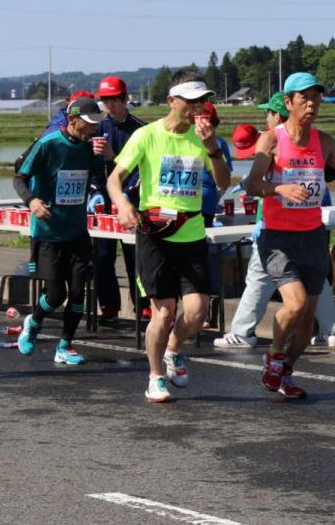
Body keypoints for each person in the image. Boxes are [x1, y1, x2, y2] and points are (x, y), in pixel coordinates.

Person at [243, 72, 335, 399]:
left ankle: (286, 372)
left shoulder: (324, 142)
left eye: (316, 98)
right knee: (294, 305)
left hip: (312, 237)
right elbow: (250, 184)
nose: (312, 104)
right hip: (278, 238)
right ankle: (273, 358)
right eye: (304, 98)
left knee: (308, 322)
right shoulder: (272, 140)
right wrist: (278, 187)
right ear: (289, 102)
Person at [107, 71, 230, 403]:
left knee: (197, 312)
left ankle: (174, 348)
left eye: (201, 101)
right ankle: (155, 376)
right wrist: (122, 205)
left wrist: (212, 149)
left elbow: (223, 181)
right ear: (171, 101)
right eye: (190, 101)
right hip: (155, 234)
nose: (197, 107)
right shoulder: (146, 136)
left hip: (191, 234)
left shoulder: (203, 138)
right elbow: (115, 178)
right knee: (162, 312)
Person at [215, 93, 335, 349]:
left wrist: (269, 188)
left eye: (268, 114)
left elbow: (260, 184)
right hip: (308, 226)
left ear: (279, 114)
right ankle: (330, 330)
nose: (266, 118)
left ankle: (245, 334)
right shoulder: (294, 142)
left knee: (259, 277)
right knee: (315, 279)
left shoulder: (282, 142)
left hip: (278, 227)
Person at [12, 96, 107, 364]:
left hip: (77, 231)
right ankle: (34, 321)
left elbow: (103, 177)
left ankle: (65, 346)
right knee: (57, 295)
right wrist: (32, 201)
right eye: (89, 124)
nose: (93, 129)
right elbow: (19, 177)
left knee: (79, 292)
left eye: (97, 124)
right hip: (48, 232)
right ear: (72, 120)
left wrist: (106, 158)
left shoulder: (91, 149)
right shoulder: (48, 144)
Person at [86, 75, 145, 325]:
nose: (109, 105)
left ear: (125, 99)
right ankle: (109, 306)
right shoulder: (98, 127)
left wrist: (113, 156)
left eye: (114, 100)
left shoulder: (140, 129)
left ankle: (142, 306)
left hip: (131, 198)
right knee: (102, 255)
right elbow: (89, 166)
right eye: (105, 100)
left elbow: (143, 167)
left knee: (136, 255)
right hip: (102, 199)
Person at [198, 102, 233, 305]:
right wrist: (215, 200)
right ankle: (206, 297)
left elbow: (223, 179)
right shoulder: (219, 142)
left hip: (200, 203)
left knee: (199, 253)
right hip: (205, 202)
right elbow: (224, 183)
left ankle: (204, 299)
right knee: (203, 252)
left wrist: (213, 200)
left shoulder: (217, 143)